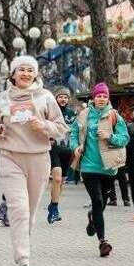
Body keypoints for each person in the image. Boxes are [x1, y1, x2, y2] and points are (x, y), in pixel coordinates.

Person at [0, 56, 68, 266]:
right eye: (21, 69)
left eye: (30, 70)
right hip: (10, 157)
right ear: (13, 74)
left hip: (39, 158)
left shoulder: (46, 97)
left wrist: (43, 125)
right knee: (19, 211)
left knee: (29, 214)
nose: (26, 73)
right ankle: (24, 265)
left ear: (35, 74)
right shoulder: (1, 99)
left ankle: (24, 255)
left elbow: (61, 128)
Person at [70, 82, 129, 258]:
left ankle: (92, 218)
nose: (101, 99)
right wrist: (75, 147)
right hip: (89, 166)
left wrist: (110, 136)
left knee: (101, 203)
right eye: (98, 96)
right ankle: (102, 241)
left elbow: (125, 138)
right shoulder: (84, 114)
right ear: (93, 98)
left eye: (104, 96)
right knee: (97, 200)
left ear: (108, 98)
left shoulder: (114, 116)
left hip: (108, 167)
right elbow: (73, 134)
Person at [47, 87, 77, 224]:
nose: (63, 99)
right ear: (56, 98)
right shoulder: (50, 112)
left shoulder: (72, 113)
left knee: (61, 181)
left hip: (68, 150)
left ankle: (54, 205)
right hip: (54, 149)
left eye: (65, 97)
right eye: (60, 97)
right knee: (57, 178)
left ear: (68, 99)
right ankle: (54, 208)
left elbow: (77, 130)